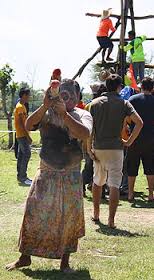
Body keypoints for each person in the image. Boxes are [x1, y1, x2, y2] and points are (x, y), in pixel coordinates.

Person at [6, 79, 92, 273]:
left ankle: (65, 262)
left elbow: (84, 134)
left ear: (77, 97)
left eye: (70, 94)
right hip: (46, 172)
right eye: (63, 93)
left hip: (71, 176)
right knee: (33, 214)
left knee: (69, 219)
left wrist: (65, 115)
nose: (66, 97)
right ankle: (24, 257)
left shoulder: (82, 114)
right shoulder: (46, 113)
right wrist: (45, 105)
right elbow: (28, 125)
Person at [88, 74, 143, 228]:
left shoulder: (94, 103)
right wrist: (129, 142)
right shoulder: (124, 103)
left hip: (98, 147)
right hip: (116, 148)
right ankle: (111, 220)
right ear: (120, 87)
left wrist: (88, 147)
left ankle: (96, 214)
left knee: (97, 182)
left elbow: (89, 129)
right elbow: (139, 123)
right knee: (114, 185)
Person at [127, 77, 154, 202]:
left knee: (132, 167)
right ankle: (151, 195)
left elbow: (126, 119)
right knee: (150, 167)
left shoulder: (132, 100)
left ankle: (131, 193)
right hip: (151, 139)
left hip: (135, 138)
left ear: (141, 87)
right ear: (152, 88)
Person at [14, 88, 32, 185]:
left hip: (21, 135)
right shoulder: (20, 107)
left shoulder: (22, 106)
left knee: (21, 155)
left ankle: (20, 176)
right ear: (24, 95)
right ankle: (23, 177)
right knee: (26, 154)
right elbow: (22, 123)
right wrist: (28, 136)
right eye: (28, 95)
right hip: (22, 135)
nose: (29, 97)